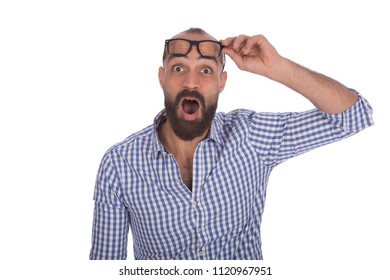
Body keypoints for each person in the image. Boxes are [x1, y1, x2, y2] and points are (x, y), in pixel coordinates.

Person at [89, 27, 373, 260]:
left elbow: (353, 116)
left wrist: (278, 67)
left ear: (222, 82)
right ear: (162, 78)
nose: (191, 82)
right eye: (178, 68)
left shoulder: (250, 136)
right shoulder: (119, 164)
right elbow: (105, 267)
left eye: (206, 71)